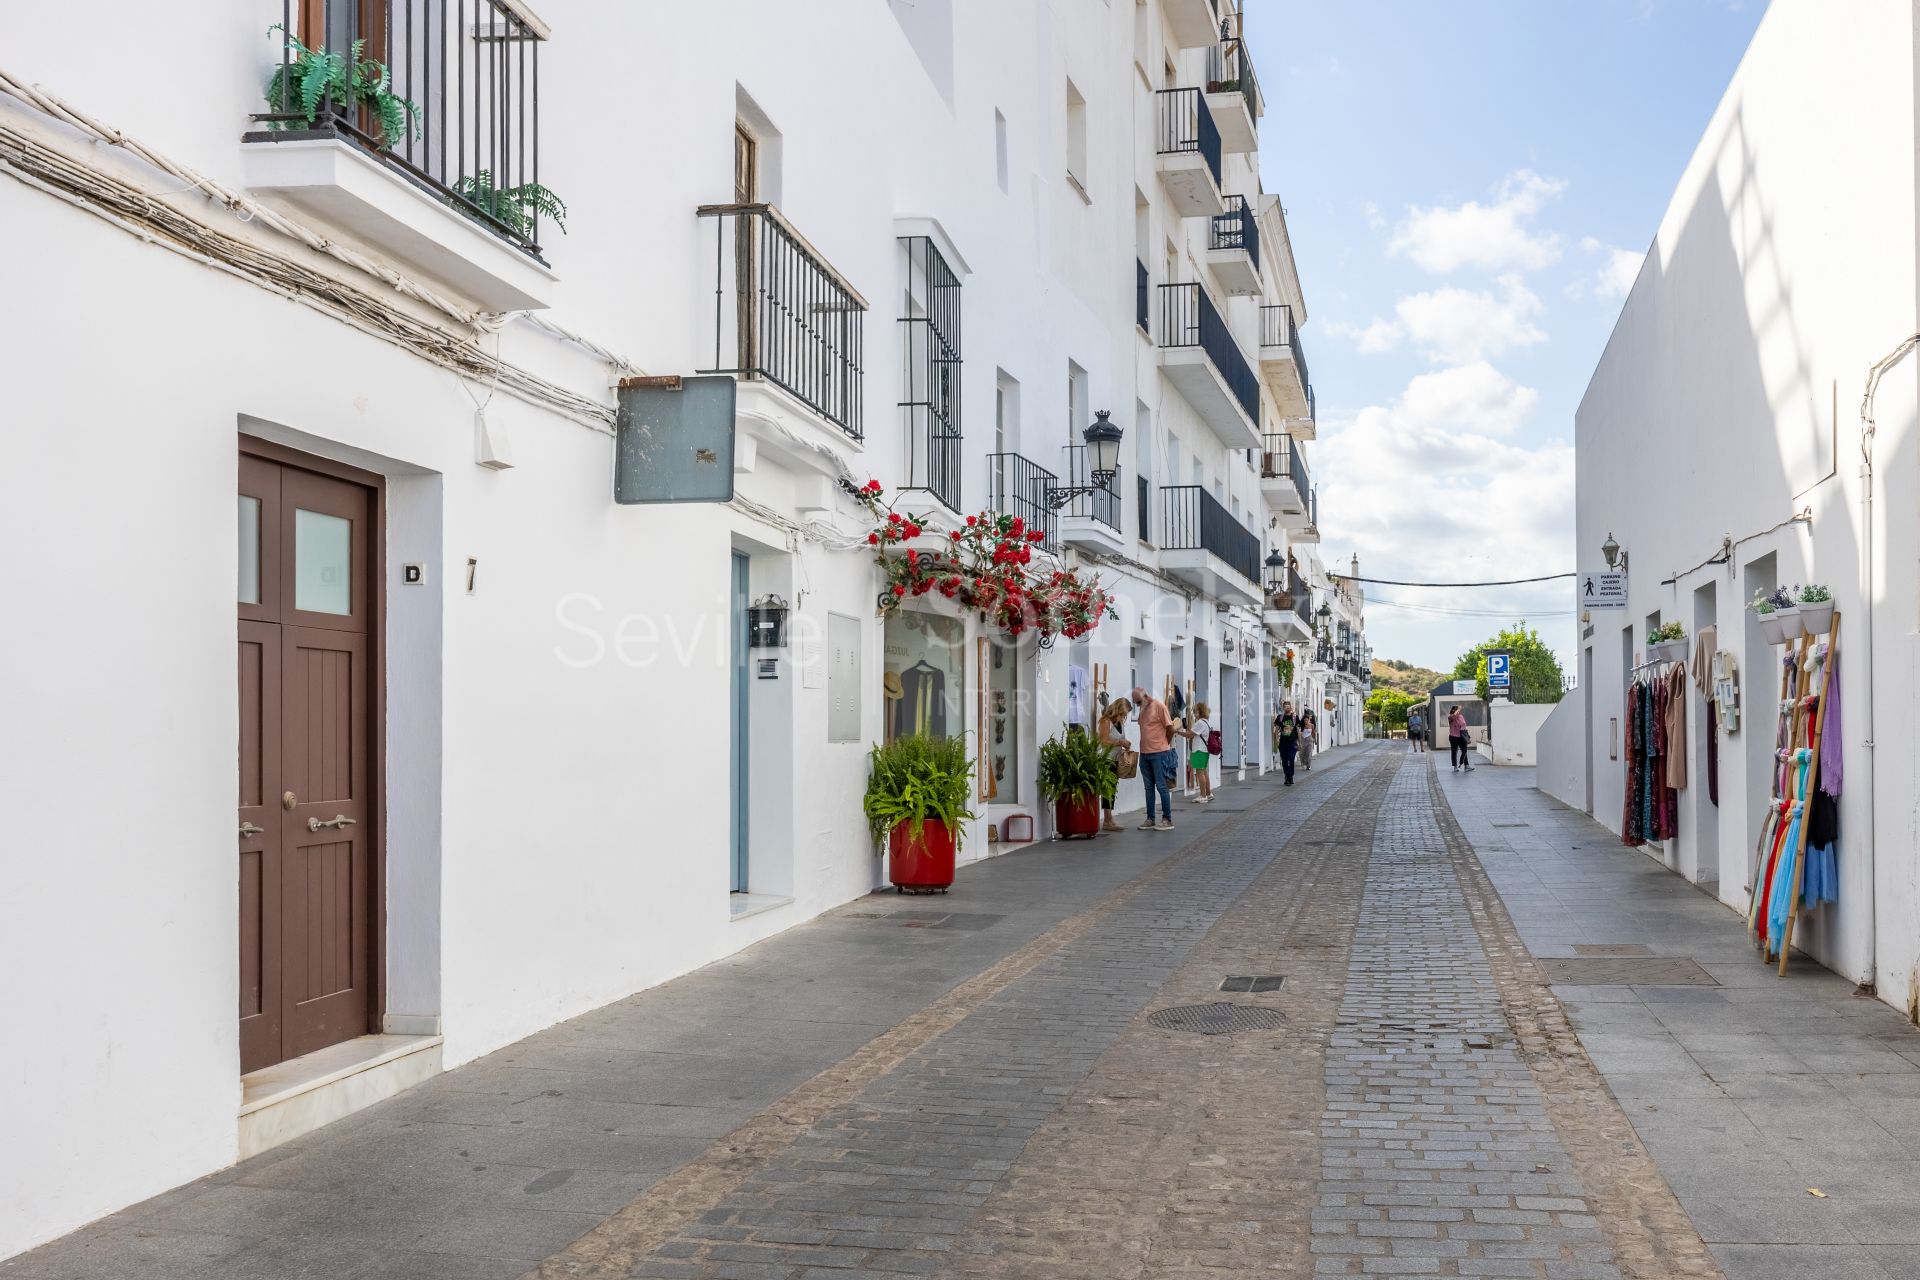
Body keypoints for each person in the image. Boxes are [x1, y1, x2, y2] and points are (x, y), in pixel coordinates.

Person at [1131, 685, 1177, 830]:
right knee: (1148, 788)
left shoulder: (1159, 706)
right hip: (1144, 754)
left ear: (1145, 696)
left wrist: (1164, 744)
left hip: (1159, 753)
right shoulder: (1142, 710)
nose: (1136, 705)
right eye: (1135, 703)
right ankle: (1150, 819)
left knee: (1162, 786)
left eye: (1138, 702)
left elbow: (1170, 728)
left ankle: (1167, 819)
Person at [1094, 698, 1133, 833]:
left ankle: (1109, 819)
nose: (1124, 717)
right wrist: (1120, 742)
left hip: (1115, 759)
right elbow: (1104, 741)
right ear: (1118, 710)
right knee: (1107, 789)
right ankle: (1107, 820)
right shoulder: (1106, 721)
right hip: (1105, 759)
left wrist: (1125, 745)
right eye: (1123, 713)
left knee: (1111, 789)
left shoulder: (1119, 723)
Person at [1177, 701, 1214, 804]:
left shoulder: (1200, 723)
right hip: (1204, 751)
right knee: (1204, 772)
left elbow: (1190, 735)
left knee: (1200, 773)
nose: (1194, 713)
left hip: (1199, 750)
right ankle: (1208, 793)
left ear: (1200, 711)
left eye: (1195, 711)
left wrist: (1178, 732)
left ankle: (1203, 796)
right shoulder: (1206, 722)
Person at [1273, 700, 1299, 786]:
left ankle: (1290, 776)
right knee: (1284, 760)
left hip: (1292, 742)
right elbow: (1276, 730)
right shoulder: (1280, 717)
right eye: (1285, 706)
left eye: (1288, 706)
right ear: (1283, 708)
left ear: (1291, 707)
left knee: (1291, 759)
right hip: (1283, 742)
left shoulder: (1295, 717)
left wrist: (1300, 742)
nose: (1287, 708)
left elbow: (1298, 730)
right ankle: (1287, 777)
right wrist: (1276, 740)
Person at [1447, 704, 1474, 772]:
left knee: (1464, 750)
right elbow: (1454, 716)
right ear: (1453, 710)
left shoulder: (1461, 716)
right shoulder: (1450, 717)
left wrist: (1466, 734)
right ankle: (1455, 766)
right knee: (1454, 752)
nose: (1459, 711)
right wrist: (1458, 709)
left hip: (1462, 736)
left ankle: (1466, 766)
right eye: (1457, 710)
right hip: (1453, 737)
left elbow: (1464, 725)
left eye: (1459, 710)